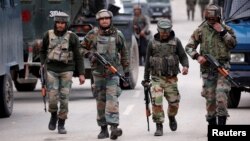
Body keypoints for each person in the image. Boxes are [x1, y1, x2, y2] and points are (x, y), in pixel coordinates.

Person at [80, 9, 129, 140]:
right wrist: (89, 54)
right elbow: (81, 47)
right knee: (101, 101)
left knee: (112, 100)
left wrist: (127, 72)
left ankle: (114, 128)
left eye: (107, 18)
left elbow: (124, 54)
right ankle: (103, 128)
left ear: (110, 19)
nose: (105, 20)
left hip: (113, 74)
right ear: (98, 21)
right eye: (102, 19)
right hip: (97, 74)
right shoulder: (93, 34)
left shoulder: (118, 35)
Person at [185, 4, 236, 126]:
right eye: (208, 19)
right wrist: (198, 56)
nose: (211, 21)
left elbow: (233, 44)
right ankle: (212, 125)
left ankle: (222, 126)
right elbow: (189, 47)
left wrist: (223, 32)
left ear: (219, 17)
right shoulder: (200, 30)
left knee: (221, 95)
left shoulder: (226, 29)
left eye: (213, 19)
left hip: (222, 68)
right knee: (210, 99)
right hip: (207, 70)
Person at [39, 12, 85, 134]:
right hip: (51, 70)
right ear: (55, 23)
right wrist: (43, 64)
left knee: (64, 99)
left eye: (62, 23)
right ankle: (53, 115)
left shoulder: (72, 37)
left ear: (66, 24)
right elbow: (42, 51)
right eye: (58, 23)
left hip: (67, 70)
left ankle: (61, 123)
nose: (60, 25)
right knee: (52, 98)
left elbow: (78, 56)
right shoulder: (48, 35)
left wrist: (81, 73)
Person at [142, 19, 189, 136]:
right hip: (156, 78)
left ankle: (171, 117)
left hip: (171, 78)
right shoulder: (151, 43)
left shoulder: (176, 42)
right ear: (158, 30)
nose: (165, 33)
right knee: (157, 101)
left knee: (174, 103)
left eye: (167, 31)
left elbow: (183, 56)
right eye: (162, 31)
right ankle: (159, 125)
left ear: (170, 30)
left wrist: (185, 66)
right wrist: (146, 79)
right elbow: (147, 62)